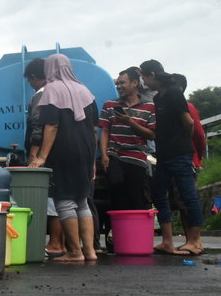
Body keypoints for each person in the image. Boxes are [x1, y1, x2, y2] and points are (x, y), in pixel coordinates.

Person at [29, 54, 98, 262]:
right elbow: (94, 128)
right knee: (82, 200)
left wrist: (42, 156)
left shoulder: (52, 90)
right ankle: (90, 251)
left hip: (64, 151)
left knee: (65, 201)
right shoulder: (85, 90)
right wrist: (93, 159)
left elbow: (52, 125)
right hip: (86, 150)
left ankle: (75, 252)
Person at [140, 61, 203, 255]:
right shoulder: (159, 97)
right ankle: (167, 241)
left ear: (152, 74)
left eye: (144, 77)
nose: (144, 82)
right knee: (158, 195)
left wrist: (181, 141)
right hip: (163, 154)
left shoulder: (175, 92)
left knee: (188, 195)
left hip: (180, 154)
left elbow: (189, 122)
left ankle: (195, 241)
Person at [98, 67, 155, 212]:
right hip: (114, 154)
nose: (119, 87)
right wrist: (104, 154)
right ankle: (118, 228)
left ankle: (136, 230)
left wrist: (129, 121)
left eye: (122, 83)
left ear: (135, 83)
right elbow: (104, 130)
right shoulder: (109, 105)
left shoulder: (149, 107)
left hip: (137, 157)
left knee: (136, 196)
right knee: (116, 187)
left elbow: (151, 135)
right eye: (117, 84)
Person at [24, 57, 65, 257]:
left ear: (34, 77)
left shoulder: (41, 95)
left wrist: (35, 154)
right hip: (60, 152)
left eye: (29, 80)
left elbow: (38, 126)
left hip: (44, 154)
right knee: (61, 197)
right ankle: (60, 242)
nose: (30, 85)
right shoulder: (63, 92)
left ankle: (54, 242)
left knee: (48, 198)